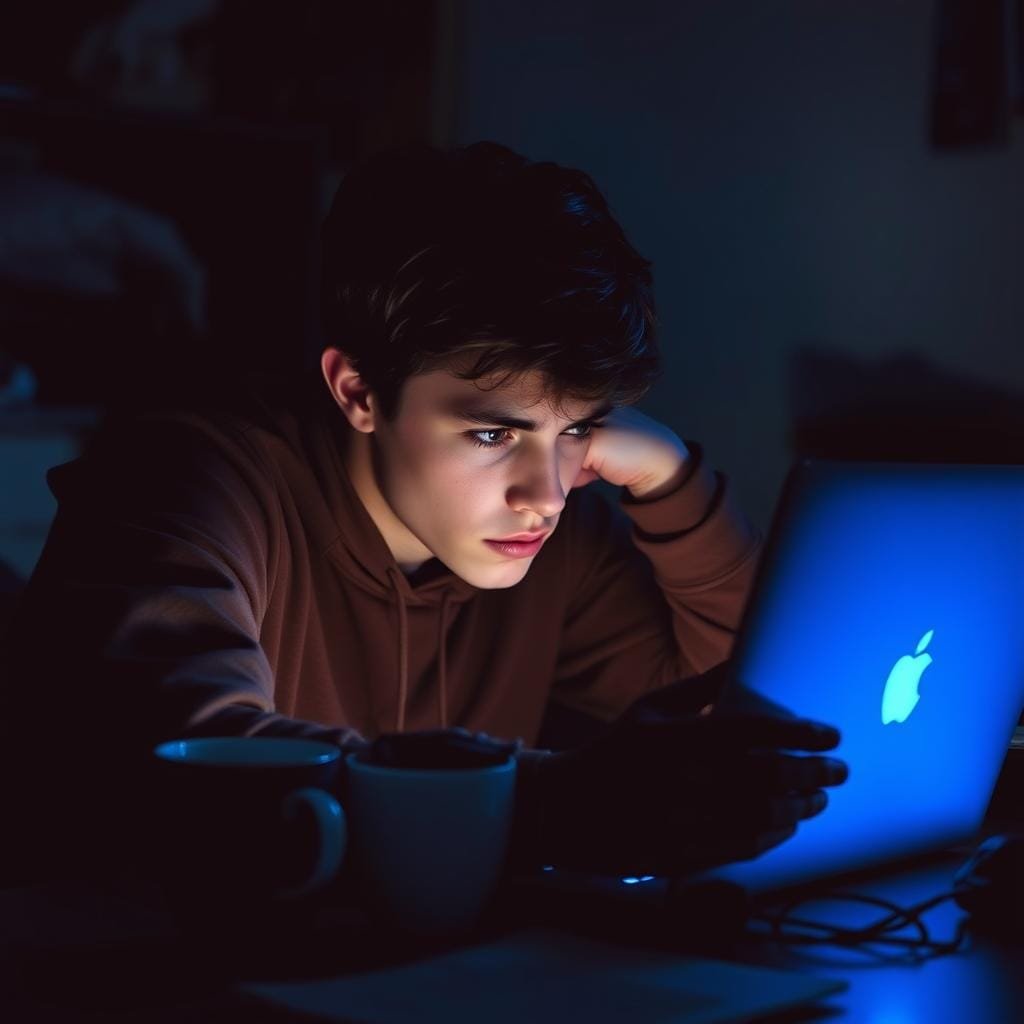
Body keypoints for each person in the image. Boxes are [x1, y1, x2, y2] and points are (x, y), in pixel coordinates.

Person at [0, 141, 846, 885]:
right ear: (358, 391)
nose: (543, 494)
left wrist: (676, 486)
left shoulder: (560, 532)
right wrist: (554, 803)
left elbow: (740, 715)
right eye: (490, 431)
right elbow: (186, 755)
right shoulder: (187, 480)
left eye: (578, 428)